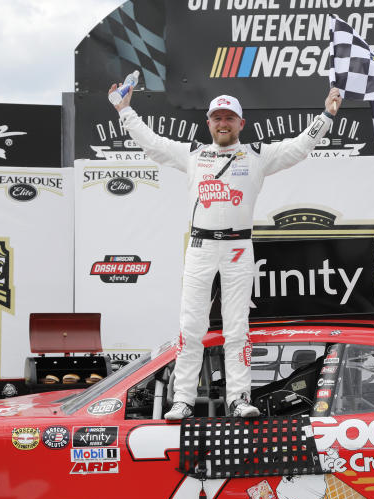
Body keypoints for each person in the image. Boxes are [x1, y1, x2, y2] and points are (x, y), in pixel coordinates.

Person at [110, 83, 343, 420]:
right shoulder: (193, 154)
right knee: (191, 328)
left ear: (240, 124)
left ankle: (239, 399)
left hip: (237, 246)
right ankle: (183, 400)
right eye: (217, 117)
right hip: (201, 247)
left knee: (237, 328)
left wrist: (327, 115)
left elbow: (299, 147)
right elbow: (154, 144)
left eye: (229, 118)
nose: (223, 123)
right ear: (208, 123)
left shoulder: (257, 155)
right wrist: (125, 111)